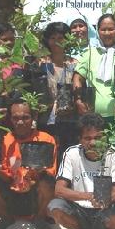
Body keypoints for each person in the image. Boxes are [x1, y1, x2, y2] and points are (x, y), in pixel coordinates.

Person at [73, 14, 115, 195]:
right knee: (97, 155)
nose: (107, 33)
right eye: (103, 29)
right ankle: (97, 194)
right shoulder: (90, 53)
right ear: (98, 30)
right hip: (96, 117)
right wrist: (79, 99)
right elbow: (78, 77)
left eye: (111, 28)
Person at [48, 113, 115, 229]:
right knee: (54, 207)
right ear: (80, 139)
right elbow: (59, 190)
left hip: (105, 209)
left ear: (105, 137)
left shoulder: (114, 154)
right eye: (87, 138)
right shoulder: (71, 153)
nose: (92, 143)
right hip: (79, 210)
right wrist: (89, 196)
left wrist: (105, 199)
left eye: (98, 138)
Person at [0, 99, 57, 229]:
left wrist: (32, 180)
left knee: (48, 183)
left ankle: (39, 218)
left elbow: (50, 172)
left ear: (33, 117)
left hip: (34, 194)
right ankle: (7, 217)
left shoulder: (46, 139)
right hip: (12, 192)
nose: (20, 122)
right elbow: (6, 175)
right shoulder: (5, 141)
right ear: (10, 119)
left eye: (25, 118)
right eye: (16, 118)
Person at [39, 22, 77, 164]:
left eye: (60, 38)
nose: (56, 42)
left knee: (66, 157)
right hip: (45, 117)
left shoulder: (74, 63)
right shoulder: (41, 63)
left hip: (68, 119)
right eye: (52, 38)